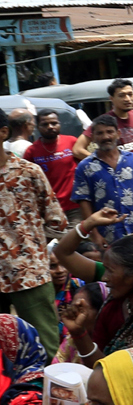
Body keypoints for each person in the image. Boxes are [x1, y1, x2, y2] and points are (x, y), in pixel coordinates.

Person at [52, 221, 133, 360]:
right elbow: (101, 366)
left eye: (110, 271)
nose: (104, 278)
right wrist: (78, 333)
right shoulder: (112, 309)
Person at [0, 132, 67, 347]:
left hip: (29, 273)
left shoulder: (28, 172)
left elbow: (56, 220)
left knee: (46, 344)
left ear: (3, 132)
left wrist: (31, 247)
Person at [71, 115, 133, 243]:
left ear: (118, 134)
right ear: (93, 137)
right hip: (108, 234)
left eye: (110, 132)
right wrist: (95, 235)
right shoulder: (85, 167)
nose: (106, 137)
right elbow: (84, 202)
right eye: (100, 133)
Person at [72, 80, 133, 165]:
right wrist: (102, 163)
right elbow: (77, 150)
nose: (127, 99)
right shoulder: (104, 122)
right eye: (121, 95)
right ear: (111, 98)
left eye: (130, 94)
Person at [25, 111, 78, 219]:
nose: (50, 127)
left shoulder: (72, 142)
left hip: (74, 205)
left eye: (54, 123)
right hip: (49, 208)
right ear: (38, 127)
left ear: (59, 124)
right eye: (45, 124)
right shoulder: (32, 151)